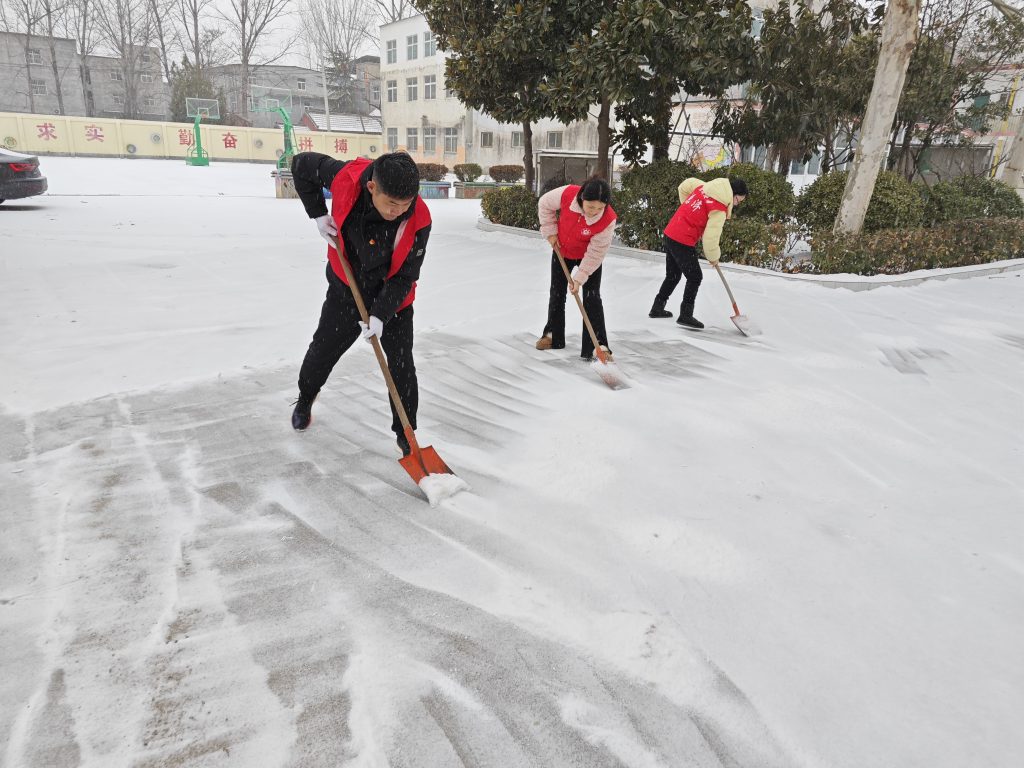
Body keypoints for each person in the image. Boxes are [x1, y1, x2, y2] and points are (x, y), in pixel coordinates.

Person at [289, 151, 431, 457]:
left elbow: (406, 276)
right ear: (372, 188)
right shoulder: (347, 178)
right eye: (391, 204)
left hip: (392, 299)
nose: (398, 211)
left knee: (402, 366)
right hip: (346, 288)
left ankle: (407, 433)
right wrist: (317, 213)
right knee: (323, 349)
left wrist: (381, 314)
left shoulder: (420, 218)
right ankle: (305, 397)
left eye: (405, 205)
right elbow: (301, 165)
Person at [649, 176, 748, 329]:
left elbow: (684, 186)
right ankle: (686, 315)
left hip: (671, 232)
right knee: (695, 277)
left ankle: (657, 307)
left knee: (673, 275)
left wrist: (689, 212)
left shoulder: (704, 188)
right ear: (732, 194)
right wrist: (714, 257)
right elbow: (711, 237)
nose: (736, 204)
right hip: (683, 239)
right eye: (738, 200)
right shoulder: (719, 208)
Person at [535, 178, 617, 360]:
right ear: (581, 198)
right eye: (590, 206)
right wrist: (550, 231)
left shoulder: (608, 220)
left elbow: (596, 253)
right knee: (556, 293)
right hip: (561, 249)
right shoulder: (567, 193)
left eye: (599, 208)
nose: (594, 212)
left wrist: (579, 278)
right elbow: (545, 204)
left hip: (589, 256)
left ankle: (598, 346)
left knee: (592, 297)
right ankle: (552, 335)